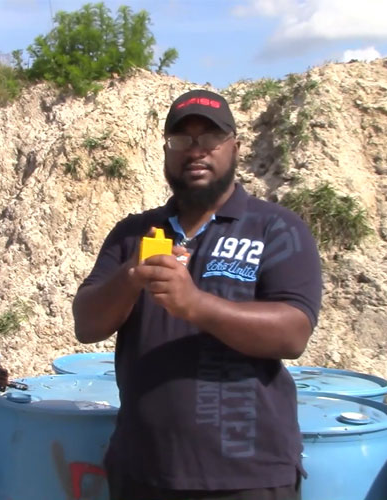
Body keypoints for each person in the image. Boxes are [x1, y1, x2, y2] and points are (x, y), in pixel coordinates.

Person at [72, 89, 322, 500]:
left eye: (210, 137)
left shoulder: (276, 228)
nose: (195, 150)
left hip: (248, 476)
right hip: (142, 471)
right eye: (181, 139)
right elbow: (87, 325)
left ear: (235, 147)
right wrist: (130, 276)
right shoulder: (133, 232)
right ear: (166, 151)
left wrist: (195, 305)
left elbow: (293, 333)